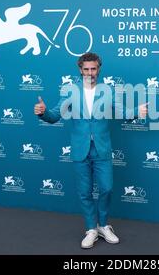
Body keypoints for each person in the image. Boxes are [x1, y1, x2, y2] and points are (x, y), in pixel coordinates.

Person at [34, 52, 147, 249]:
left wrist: (137, 112)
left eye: (93, 69)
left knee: (107, 188)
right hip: (80, 149)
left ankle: (103, 225)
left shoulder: (108, 91)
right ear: (80, 70)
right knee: (84, 192)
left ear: (99, 69)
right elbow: (54, 116)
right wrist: (43, 113)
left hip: (101, 149)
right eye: (86, 69)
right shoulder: (70, 91)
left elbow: (122, 112)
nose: (90, 72)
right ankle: (90, 229)